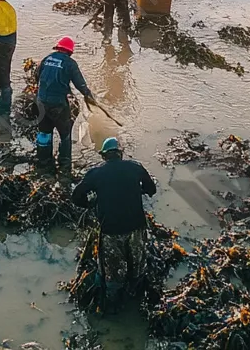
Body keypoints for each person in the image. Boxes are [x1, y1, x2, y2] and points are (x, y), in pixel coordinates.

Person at [72, 137, 157, 311]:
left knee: (112, 273)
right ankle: (136, 304)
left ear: (104, 156)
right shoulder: (135, 167)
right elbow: (151, 190)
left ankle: (112, 311)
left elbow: (76, 196)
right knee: (137, 267)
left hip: (110, 231)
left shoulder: (96, 173)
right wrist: (136, 190)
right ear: (120, 153)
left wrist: (90, 204)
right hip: (136, 228)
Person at [35, 36, 97, 170]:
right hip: (58, 104)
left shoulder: (46, 59)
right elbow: (80, 84)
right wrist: (89, 97)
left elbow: (36, 75)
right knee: (65, 135)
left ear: (57, 47)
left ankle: (43, 161)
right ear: (70, 51)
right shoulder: (70, 64)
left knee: (44, 132)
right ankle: (64, 165)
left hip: (41, 102)